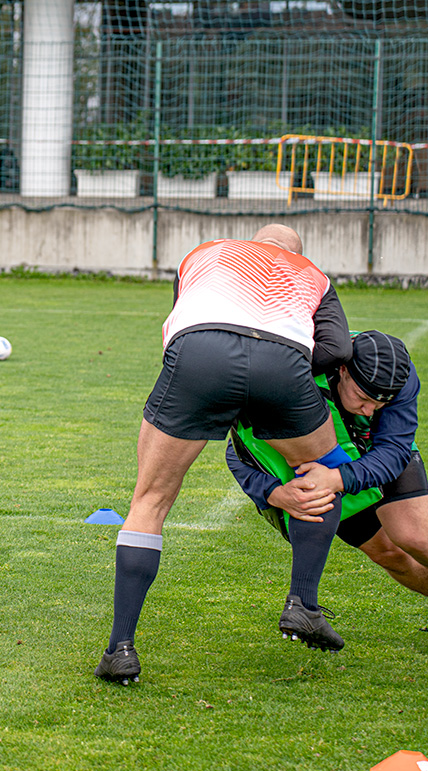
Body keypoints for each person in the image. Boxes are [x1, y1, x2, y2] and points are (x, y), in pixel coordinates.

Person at [96, 224, 355, 685]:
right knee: (324, 472)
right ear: (298, 252)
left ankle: (121, 649)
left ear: (251, 240)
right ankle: (303, 603)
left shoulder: (203, 252)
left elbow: (179, 323)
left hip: (200, 354)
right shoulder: (312, 274)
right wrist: (275, 383)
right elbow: (337, 349)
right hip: (282, 363)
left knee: (150, 500)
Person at [227, 330, 428, 646]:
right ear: (342, 371)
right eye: (362, 399)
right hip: (330, 464)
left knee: (414, 536)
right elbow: (239, 447)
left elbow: (394, 450)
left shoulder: (400, 375)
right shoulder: (294, 375)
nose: (369, 411)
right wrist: (273, 493)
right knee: (389, 554)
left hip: (378, 455)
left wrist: (338, 478)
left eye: (380, 403)